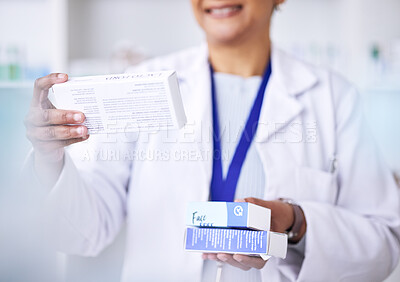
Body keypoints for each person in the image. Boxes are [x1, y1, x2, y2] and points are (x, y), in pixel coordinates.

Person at [23, 0, 400, 281]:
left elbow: (383, 244)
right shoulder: (141, 83)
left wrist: (295, 223)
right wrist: (50, 161)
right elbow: (85, 230)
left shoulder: (334, 98)